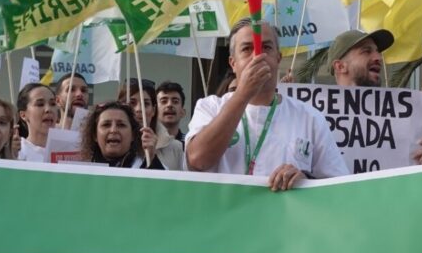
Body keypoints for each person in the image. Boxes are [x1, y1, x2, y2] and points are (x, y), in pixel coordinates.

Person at [186, 19, 348, 190]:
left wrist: (305, 180)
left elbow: (338, 186)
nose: (257, 56)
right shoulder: (210, 107)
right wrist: (243, 94)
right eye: (247, 49)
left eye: (267, 48)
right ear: (233, 63)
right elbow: (198, 160)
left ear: (278, 58)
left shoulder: (310, 118)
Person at [117, 79, 183, 171]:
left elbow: (178, 184)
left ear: (153, 110)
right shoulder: (110, 143)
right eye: (132, 103)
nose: (139, 109)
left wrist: (153, 158)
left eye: (146, 104)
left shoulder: (175, 148)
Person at [80, 101, 165, 169]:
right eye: (106, 125)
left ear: (133, 135)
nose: (113, 130)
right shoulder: (81, 170)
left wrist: (151, 158)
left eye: (121, 125)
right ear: (95, 135)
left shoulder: (147, 165)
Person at [327, 29, 393, 87]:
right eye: (367, 51)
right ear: (340, 66)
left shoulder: (394, 101)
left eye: (378, 52)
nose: (379, 57)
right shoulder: (323, 101)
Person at [15, 83, 59, 162]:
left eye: (52, 104)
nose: (48, 109)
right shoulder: (16, 151)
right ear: (23, 115)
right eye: (40, 104)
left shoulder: (68, 152)